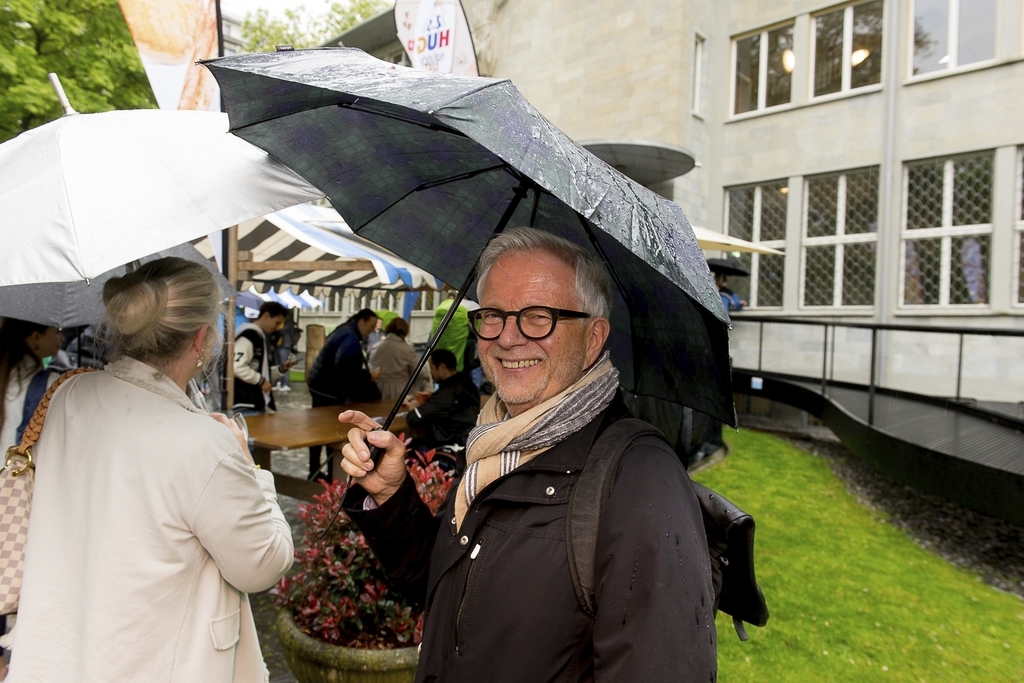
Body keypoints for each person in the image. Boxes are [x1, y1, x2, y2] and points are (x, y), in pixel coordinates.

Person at [337, 228, 716, 682]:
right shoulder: (493, 440)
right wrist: (391, 497)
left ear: (594, 338)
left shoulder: (640, 480)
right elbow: (443, 587)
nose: (507, 338)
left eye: (538, 317)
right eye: (492, 315)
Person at [7, 257, 293, 683]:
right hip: (156, 661)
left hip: (62, 650)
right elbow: (263, 564)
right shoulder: (205, 444)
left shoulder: (67, 393)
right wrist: (252, 470)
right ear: (201, 340)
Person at [305, 308, 383, 477]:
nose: (370, 331)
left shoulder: (345, 330)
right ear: (361, 321)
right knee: (328, 432)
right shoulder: (350, 338)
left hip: (319, 385)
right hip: (326, 390)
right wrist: (368, 375)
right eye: (369, 327)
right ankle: (324, 474)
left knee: (320, 430)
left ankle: (316, 472)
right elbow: (345, 369)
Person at [405, 348, 479, 457]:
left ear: (441, 367)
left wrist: (413, 408)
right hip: (466, 441)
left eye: (432, 368)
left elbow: (413, 418)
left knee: (409, 445)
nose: (431, 372)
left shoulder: (445, 394)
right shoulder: (468, 385)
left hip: (446, 445)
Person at [233, 301, 294, 413]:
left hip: (254, 402)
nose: (276, 328)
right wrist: (260, 381)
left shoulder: (258, 335)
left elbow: (260, 370)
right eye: (276, 323)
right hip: (246, 402)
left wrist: (281, 369)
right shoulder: (250, 335)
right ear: (266, 315)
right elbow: (236, 366)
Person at [368, 317, 430, 401]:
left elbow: (371, 368)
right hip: (401, 391)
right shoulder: (407, 349)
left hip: (378, 389)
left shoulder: (376, 347)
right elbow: (417, 372)